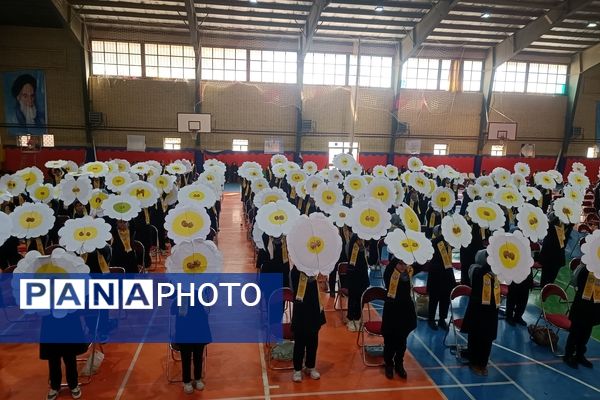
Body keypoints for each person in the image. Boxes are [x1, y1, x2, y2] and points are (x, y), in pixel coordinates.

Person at [461, 250, 499, 376]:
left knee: (487, 338)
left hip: (491, 310)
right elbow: (478, 277)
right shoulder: (475, 269)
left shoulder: (495, 271)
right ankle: (474, 362)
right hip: (477, 309)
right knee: (476, 337)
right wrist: (490, 263)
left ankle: (483, 363)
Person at [381, 256, 417, 379]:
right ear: (395, 263)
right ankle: (389, 364)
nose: (402, 266)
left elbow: (419, 265)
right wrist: (398, 256)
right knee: (390, 341)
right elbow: (391, 266)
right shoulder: (389, 273)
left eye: (404, 263)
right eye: (400, 263)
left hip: (405, 311)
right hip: (392, 311)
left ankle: (399, 364)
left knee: (402, 341)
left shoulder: (409, 272)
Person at [40, 313, 87, 400]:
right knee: (53, 357)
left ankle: (73, 384)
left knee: (70, 355)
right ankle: (54, 386)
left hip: (69, 318)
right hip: (50, 320)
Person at [290, 266, 325, 382]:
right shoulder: (295, 271)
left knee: (313, 339)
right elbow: (293, 288)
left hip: (314, 308)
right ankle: (297, 369)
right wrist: (305, 275)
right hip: (300, 310)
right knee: (299, 340)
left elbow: (322, 287)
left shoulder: (315, 269)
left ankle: (311, 366)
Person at [171, 295, 211, 394]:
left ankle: (198, 378)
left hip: (200, 324)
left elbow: (208, 306)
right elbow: (172, 308)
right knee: (186, 356)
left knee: (198, 354)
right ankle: (186, 381)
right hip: (184, 327)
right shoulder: (179, 286)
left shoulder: (203, 288)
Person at [563, 263, 600, 369]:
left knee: (586, 331)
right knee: (576, 331)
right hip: (582, 304)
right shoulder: (586, 267)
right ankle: (568, 355)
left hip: (595, 306)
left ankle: (580, 354)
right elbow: (576, 281)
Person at [427, 226, 455, 330]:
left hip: (447, 273)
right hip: (436, 274)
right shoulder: (435, 242)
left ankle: (442, 319)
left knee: (445, 298)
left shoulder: (450, 242)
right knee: (434, 298)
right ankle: (431, 319)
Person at [538, 212, 572, 287]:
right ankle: (544, 288)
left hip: (553, 256)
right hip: (552, 256)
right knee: (547, 279)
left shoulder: (565, 226)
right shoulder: (552, 225)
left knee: (548, 279)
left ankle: (545, 288)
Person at [345, 234, 370, 331]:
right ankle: (351, 319)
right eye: (359, 239)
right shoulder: (352, 243)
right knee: (353, 298)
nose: (360, 241)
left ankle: (358, 318)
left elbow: (370, 260)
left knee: (361, 298)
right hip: (353, 276)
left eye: (361, 239)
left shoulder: (364, 248)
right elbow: (349, 258)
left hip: (362, 277)